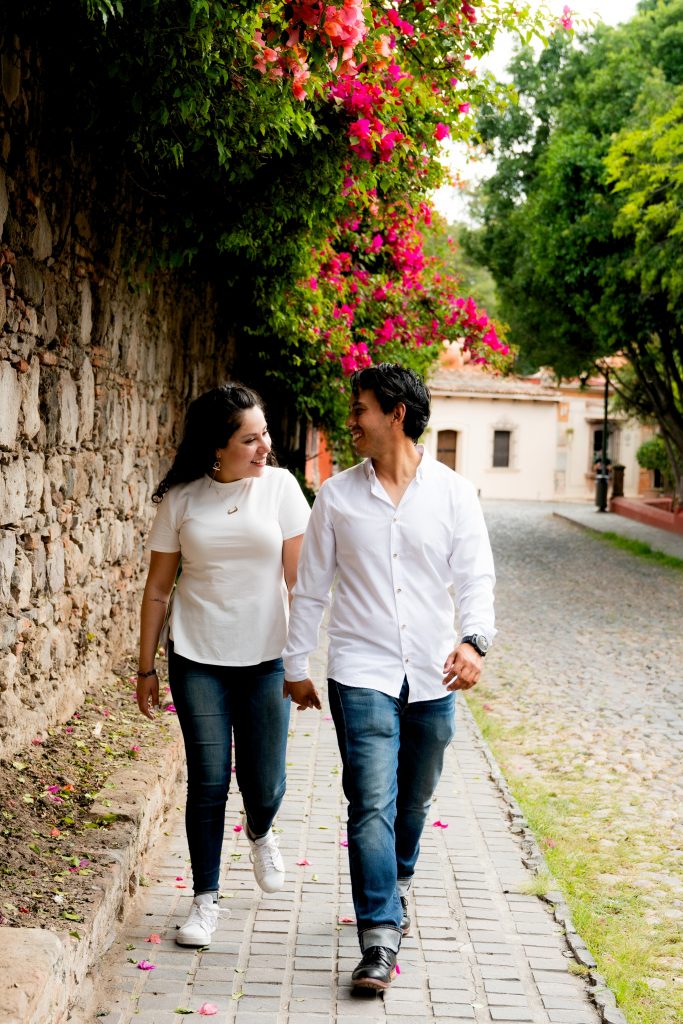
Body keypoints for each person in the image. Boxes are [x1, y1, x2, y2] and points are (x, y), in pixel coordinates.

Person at [283, 363, 495, 991]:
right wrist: (296, 665)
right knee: (370, 801)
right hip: (360, 668)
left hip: (433, 673)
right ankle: (378, 936)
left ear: (396, 414)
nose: (351, 420)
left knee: (415, 798)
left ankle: (397, 878)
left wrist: (474, 641)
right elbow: (311, 589)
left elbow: (476, 578)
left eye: (361, 409)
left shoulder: (454, 494)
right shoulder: (337, 497)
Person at [136, 383, 311, 948]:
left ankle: (260, 829)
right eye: (250, 439)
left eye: (265, 434)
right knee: (209, 780)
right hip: (197, 658)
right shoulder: (182, 499)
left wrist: (300, 661)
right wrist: (145, 667)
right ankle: (204, 900)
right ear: (218, 446)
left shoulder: (281, 488)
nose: (265, 447)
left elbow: (299, 583)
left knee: (265, 782)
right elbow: (158, 589)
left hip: (267, 657)